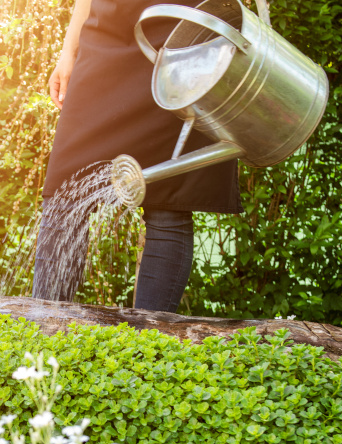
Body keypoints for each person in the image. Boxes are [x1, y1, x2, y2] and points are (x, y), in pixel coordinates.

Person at [32, 0, 240, 313]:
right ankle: (43, 327)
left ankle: (148, 342)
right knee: (65, 195)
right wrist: (68, 51)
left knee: (168, 200)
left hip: (183, 33)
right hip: (107, 34)